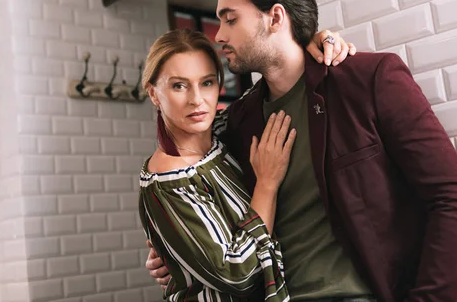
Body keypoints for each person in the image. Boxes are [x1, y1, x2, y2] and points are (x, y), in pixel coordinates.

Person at [147, 0, 457, 302]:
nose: (220, 35)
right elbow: (194, 183)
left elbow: (456, 201)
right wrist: (175, 245)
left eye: (230, 19)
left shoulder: (368, 81)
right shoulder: (239, 121)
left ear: (275, 17)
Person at [139, 28, 354, 301]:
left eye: (206, 83)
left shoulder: (221, 131)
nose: (197, 99)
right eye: (179, 85)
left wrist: (318, 41)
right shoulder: (169, 181)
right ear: (154, 94)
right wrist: (267, 183)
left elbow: (279, 73)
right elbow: (238, 274)